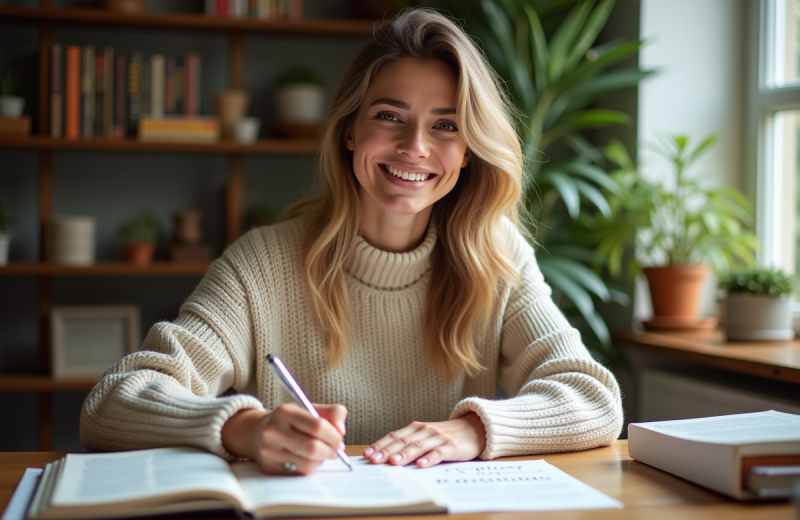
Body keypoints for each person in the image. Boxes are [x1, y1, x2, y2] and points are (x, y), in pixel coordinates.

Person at [80, 8, 623, 476]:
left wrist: (472, 431)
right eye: (389, 117)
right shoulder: (262, 262)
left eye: (446, 126)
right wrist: (242, 428)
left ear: (469, 150)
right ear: (349, 130)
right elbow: (111, 405)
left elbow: (595, 399)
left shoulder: (496, 255)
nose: (414, 147)